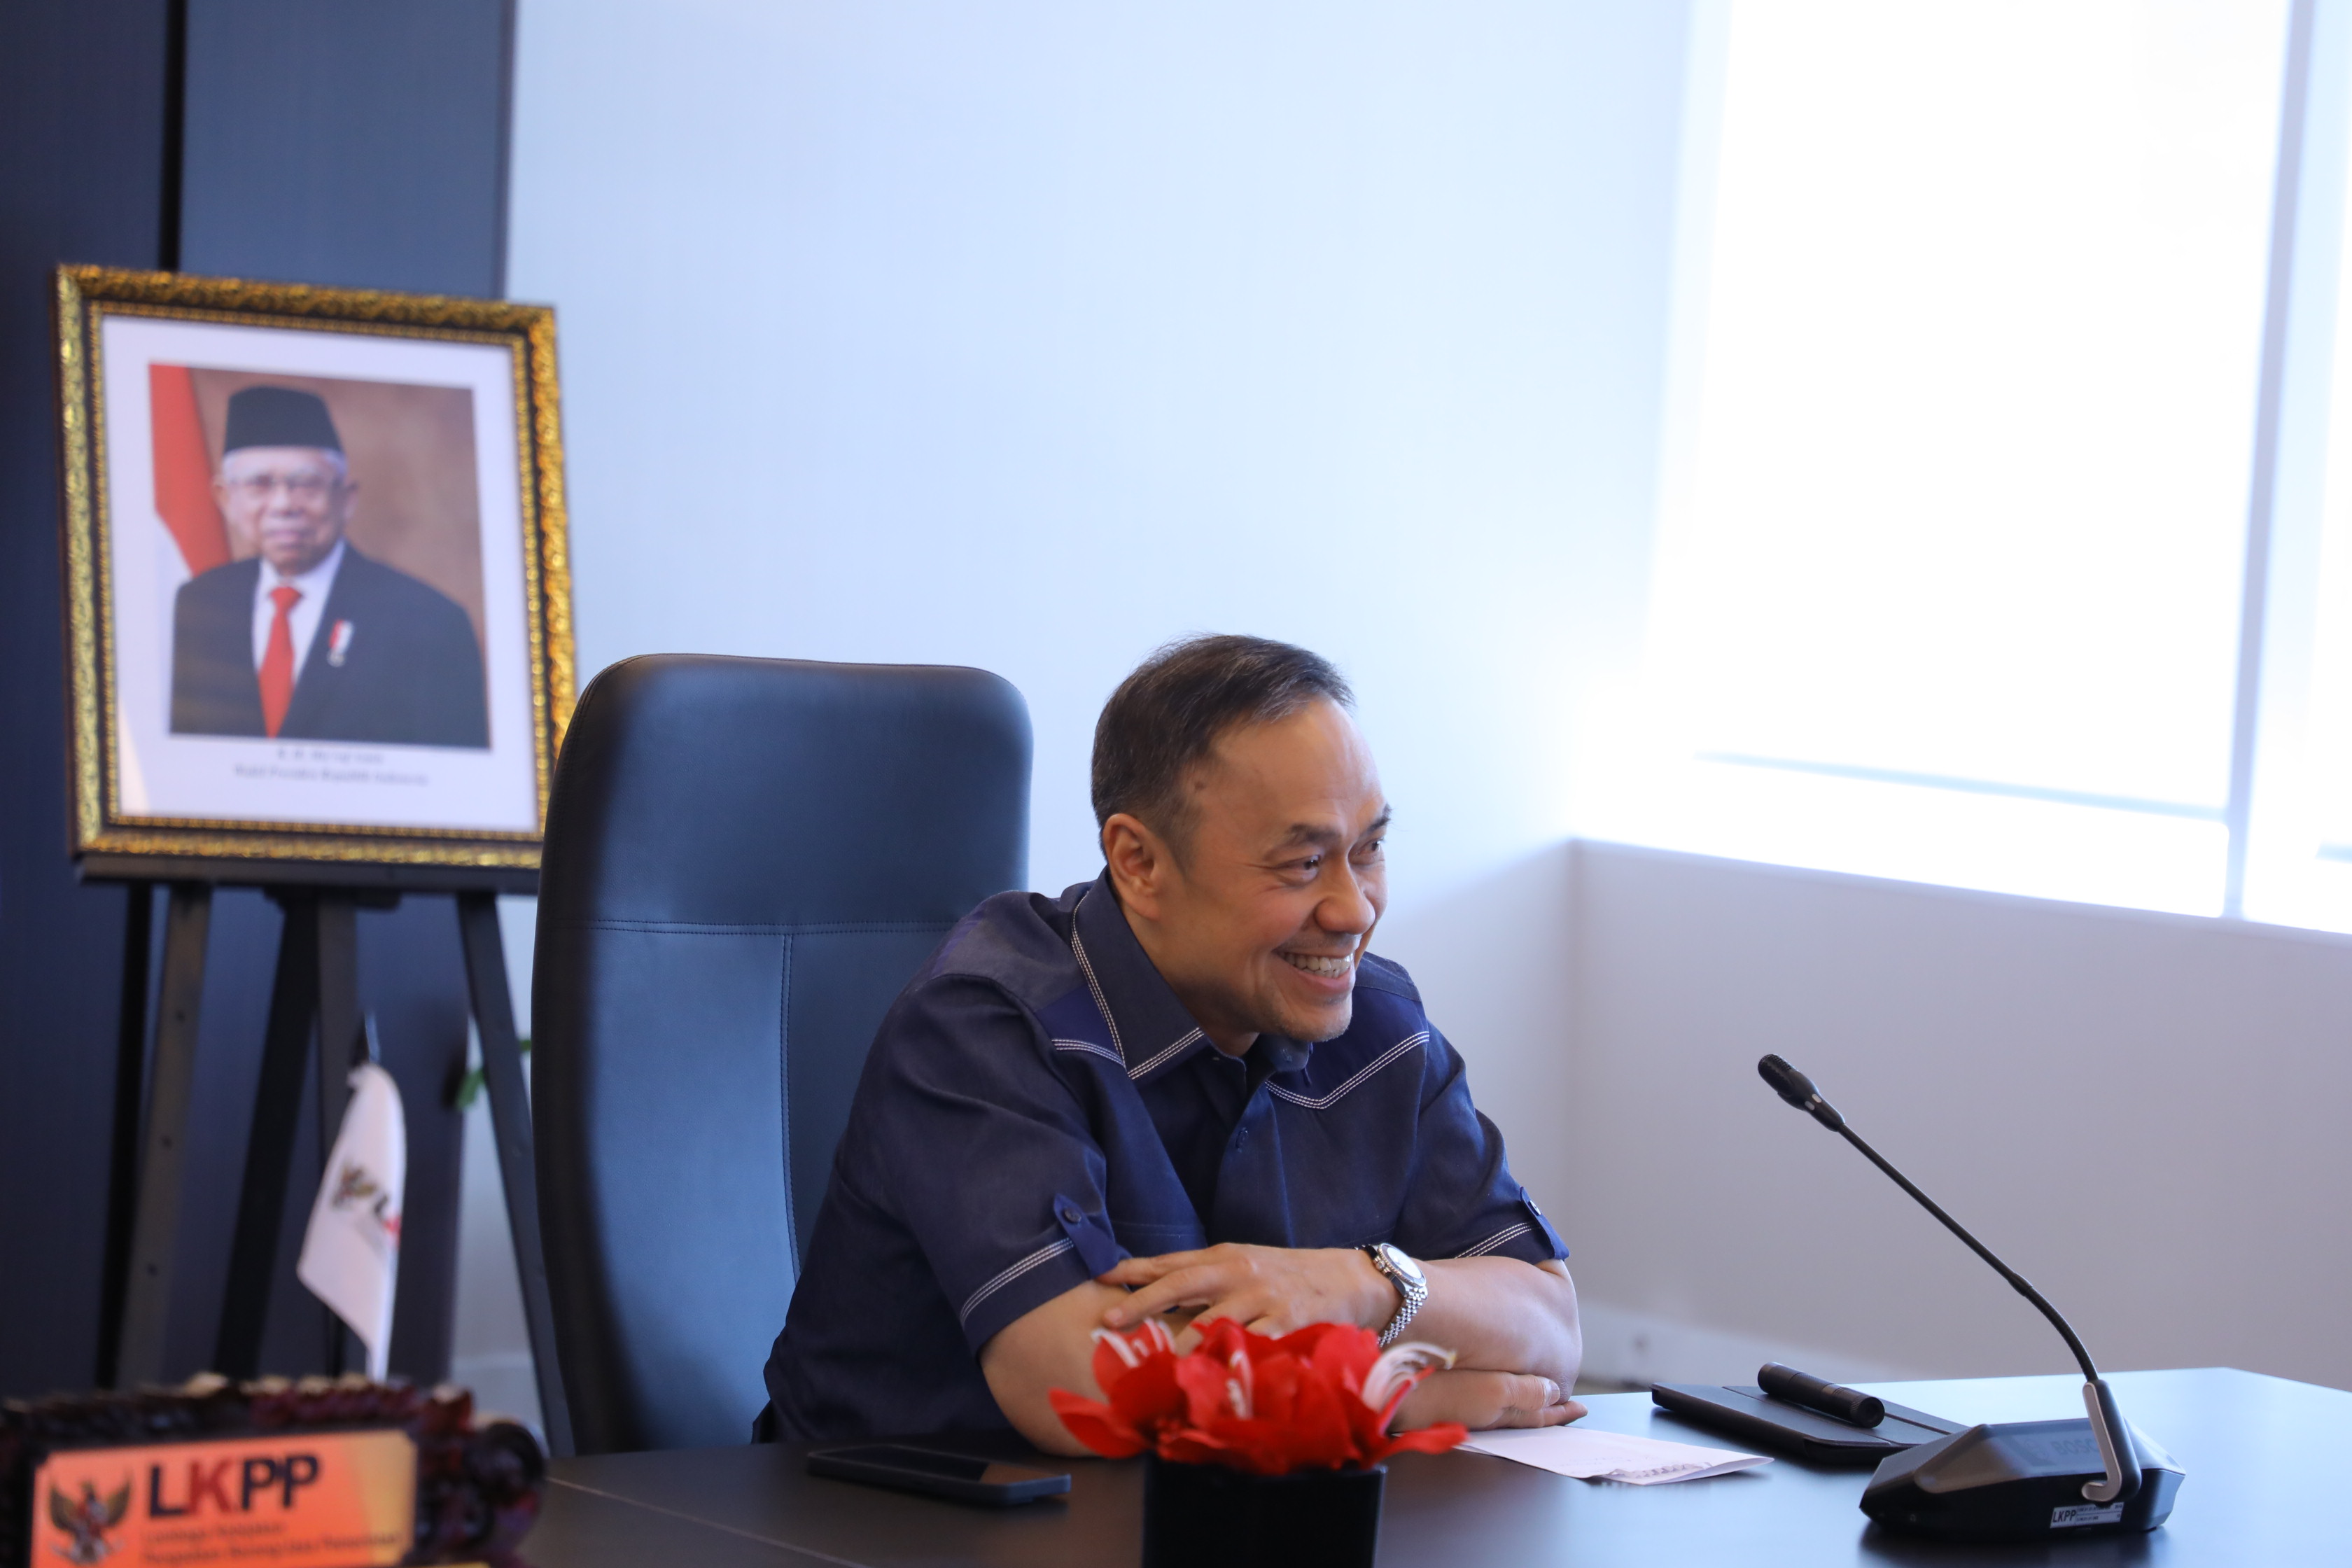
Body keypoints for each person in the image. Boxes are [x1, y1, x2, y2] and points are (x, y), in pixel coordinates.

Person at [764, 634, 1584, 1450]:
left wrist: (1364, 1282)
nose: (1354, 910)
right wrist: (1398, 1391)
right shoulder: (987, 1021)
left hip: (1231, 1504)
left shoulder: (1375, 1022)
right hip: (892, 1511)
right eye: (1303, 862)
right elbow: (1085, 1383)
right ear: (1140, 862)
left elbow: (1550, 1326)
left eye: (1367, 849)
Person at [169, 385, 489, 748]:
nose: (283, 505)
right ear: (226, 499)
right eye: (259, 484)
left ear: (346, 499)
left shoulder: (428, 621)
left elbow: (454, 771)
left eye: (306, 484)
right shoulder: (199, 603)